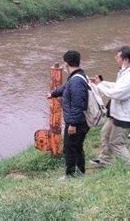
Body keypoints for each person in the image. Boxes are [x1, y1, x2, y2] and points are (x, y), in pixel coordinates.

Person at [90, 46, 130, 166]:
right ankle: (105, 160)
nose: (116, 58)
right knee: (105, 133)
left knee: (116, 143)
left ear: (125, 60)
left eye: (118, 56)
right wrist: (102, 83)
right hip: (118, 113)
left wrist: (99, 87)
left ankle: (128, 168)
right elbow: (117, 86)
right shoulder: (126, 72)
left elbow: (117, 94)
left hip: (126, 116)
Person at [47, 50, 90, 179]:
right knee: (76, 147)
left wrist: (72, 124)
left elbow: (77, 104)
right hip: (79, 121)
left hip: (76, 122)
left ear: (66, 63)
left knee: (70, 149)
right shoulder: (77, 76)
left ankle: (71, 175)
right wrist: (53, 94)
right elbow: (66, 87)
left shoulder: (76, 81)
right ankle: (80, 172)